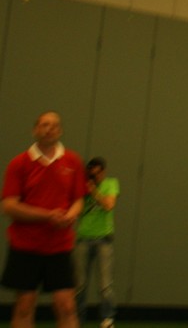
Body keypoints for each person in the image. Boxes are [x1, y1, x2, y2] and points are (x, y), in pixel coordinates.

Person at [2, 111, 86, 328]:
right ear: (35, 130)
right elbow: (9, 205)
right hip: (25, 245)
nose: (50, 129)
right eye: (45, 125)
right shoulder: (19, 163)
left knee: (67, 306)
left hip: (60, 246)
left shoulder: (73, 161)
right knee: (24, 305)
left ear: (60, 131)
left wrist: (70, 215)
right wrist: (47, 216)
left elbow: (78, 200)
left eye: (55, 125)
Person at [74, 157, 119, 328]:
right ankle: (77, 319)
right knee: (79, 284)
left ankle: (107, 319)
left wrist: (93, 190)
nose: (96, 177)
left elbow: (109, 205)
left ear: (103, 171)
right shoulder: (82, 186)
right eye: (92, 174)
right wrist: (83, 189)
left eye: (98, 173)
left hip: (104, 240)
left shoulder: (111, 183)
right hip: (83, 239)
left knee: (105, 284)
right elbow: (77, 209)